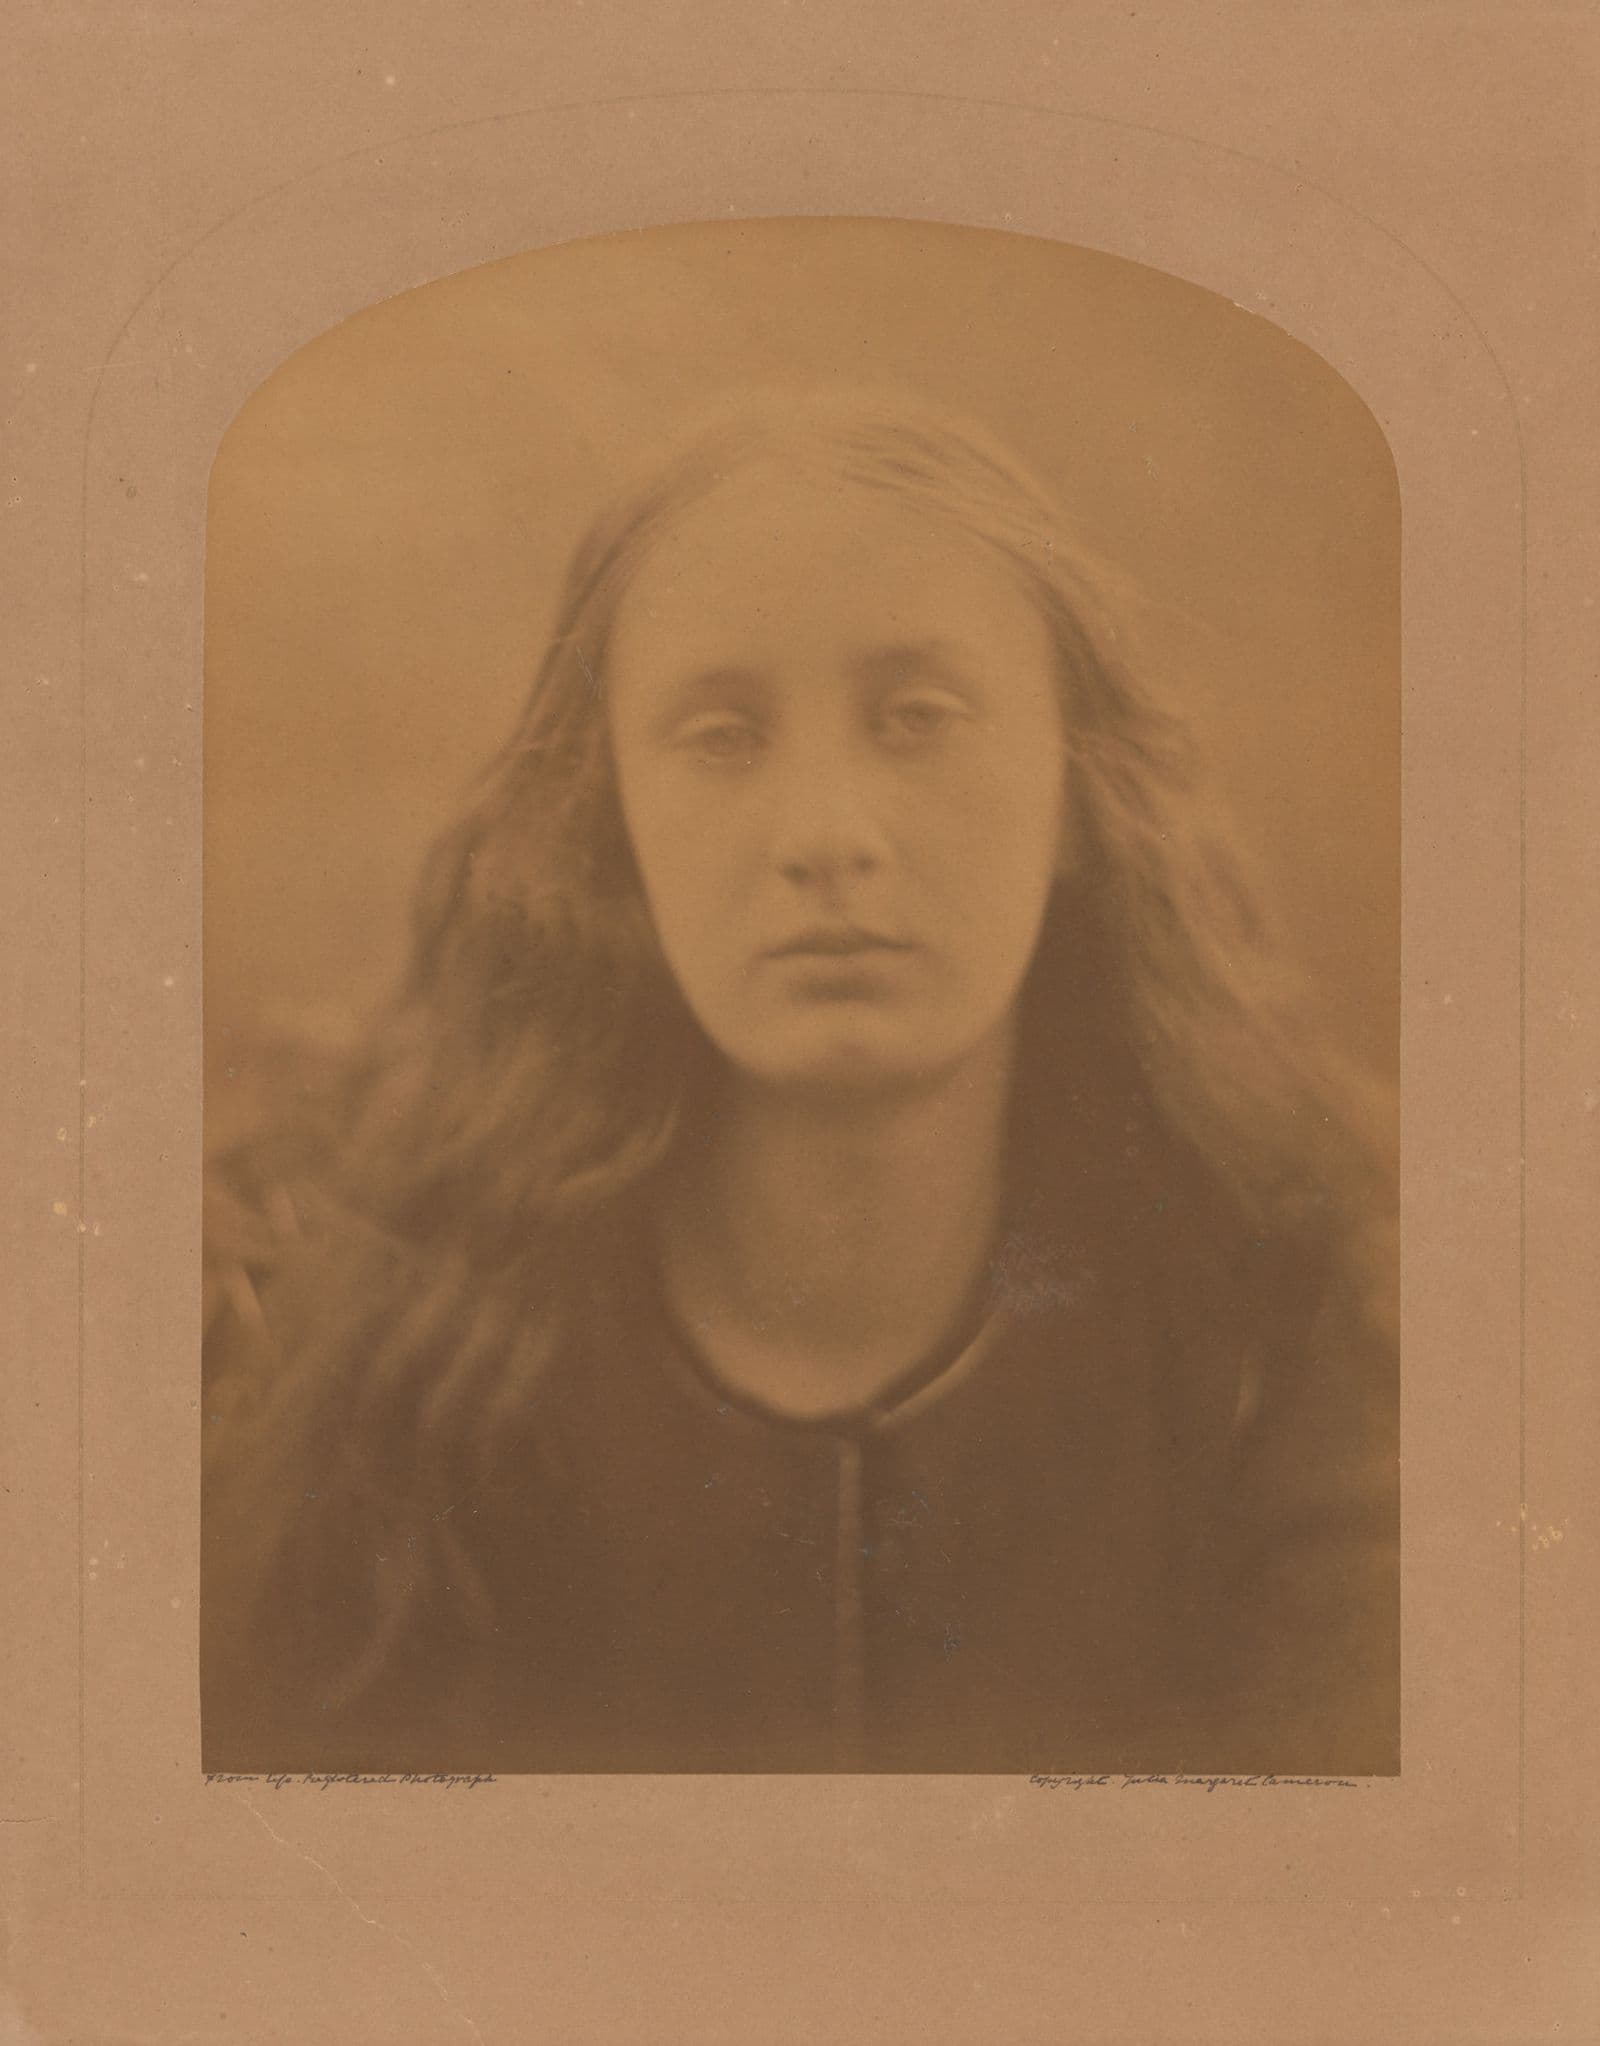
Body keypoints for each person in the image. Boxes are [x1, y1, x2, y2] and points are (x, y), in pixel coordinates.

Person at [200, 389, 1399, 1776]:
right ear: (615, 823)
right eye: (720, 736)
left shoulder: (1297, 1319)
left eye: (919, 718)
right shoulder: (365, 1328)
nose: (828, 835)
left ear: (1076, 794)